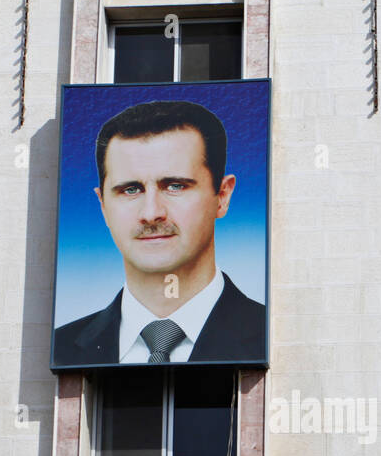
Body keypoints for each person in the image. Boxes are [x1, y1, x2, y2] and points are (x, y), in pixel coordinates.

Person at [52, 99, 266, 367]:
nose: (151, 213)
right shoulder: (60, 348)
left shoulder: (274, 334)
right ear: (103, 206)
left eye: (175, 186)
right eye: (130, 190)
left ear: (222, 196)